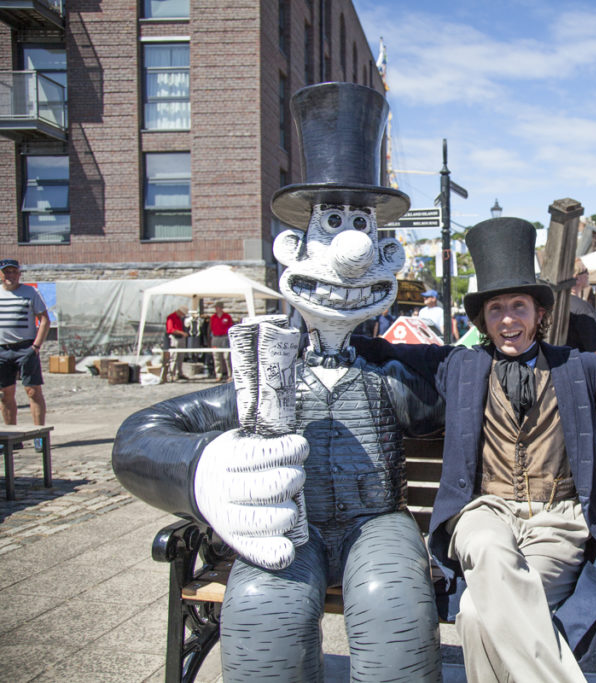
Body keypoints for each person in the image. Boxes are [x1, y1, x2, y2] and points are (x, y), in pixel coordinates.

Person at [114, 82, 443, 681]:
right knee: (267, 605)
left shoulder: (397, 374)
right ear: (294, 247)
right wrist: (199, 470)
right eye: (335, 224)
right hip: (291, 525)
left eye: (363, 226)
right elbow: (141, 433)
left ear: (388, 252)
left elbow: (496, 385)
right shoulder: (268, 376)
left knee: (392, 599)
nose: (352, 248)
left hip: (379, 519)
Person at [354, 217, 596, 682]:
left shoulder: (577, 368)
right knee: (486, 548)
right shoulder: (459, 365)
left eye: (518, 306)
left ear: (538, 314)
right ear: (483, 319)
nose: (507, 320)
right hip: (483, 512)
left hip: (556, 522)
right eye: (496, 308)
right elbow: (378, 350)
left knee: (479, 616)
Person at [0, 258, 49, 448]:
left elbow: (44, 319)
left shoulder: (30, 292)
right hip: (2, 349)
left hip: (25, 348)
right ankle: (11, 437)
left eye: (13, 272)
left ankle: (39, 435)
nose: (10, 276)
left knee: (33, 390)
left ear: (19, 274)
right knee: (5, 394)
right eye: (6, 272)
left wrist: (35, 347)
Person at [567, 259, 596, 360]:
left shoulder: (555, 305)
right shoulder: (583, 308)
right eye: (586, 271)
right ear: (576, 277)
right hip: (585, 371)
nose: (588, 275)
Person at [209, 302, 234, 381]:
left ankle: (230, 374)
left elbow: (231, 327)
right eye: (216, 307)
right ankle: (218, 374)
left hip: (224, 337)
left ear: (221, 308)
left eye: (217, 307)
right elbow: (210, 328)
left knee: (227, 357)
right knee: (217, 357)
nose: (216, 309)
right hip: (216, 338)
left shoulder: (227, 317)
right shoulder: (213, 317)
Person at [164, 305, 188, 381]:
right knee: (174, 357)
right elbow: (170, 330)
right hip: (174, 338)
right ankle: (171, 374)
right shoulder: (171, 317)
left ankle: (179, 373)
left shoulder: (180, 318)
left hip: (180, 338)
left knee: (180, 357)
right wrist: (182, 332)